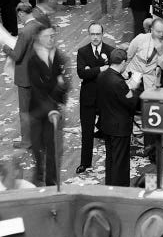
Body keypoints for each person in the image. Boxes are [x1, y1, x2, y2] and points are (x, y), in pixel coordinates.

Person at [28, 25, 70, 186]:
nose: (51, 39)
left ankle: (51, 181)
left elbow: (65, 82)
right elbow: (36, 89)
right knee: (38, 148)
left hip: (54, 111)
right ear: (40, 38)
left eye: (53, 35)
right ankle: (39, 175)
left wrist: (61, 92)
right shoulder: (33, 59)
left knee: (53, 149)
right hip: (38, 111)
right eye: (47, 36)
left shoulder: (59, 56)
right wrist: (52, 104)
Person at [3, 3, 45, 149]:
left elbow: (16, 55)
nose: (19, 19)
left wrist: (5, 48)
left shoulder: (25, 32)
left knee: (25, 111)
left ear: (21, 13)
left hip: (25, 77)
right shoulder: (40, 26)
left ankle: (27, 141)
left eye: (19, 16)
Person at [97, 48, 141, 187]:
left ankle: (109, 188)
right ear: (123, 62)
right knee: (120, 163)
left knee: (110, 160)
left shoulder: (102, 76)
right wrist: (134, 87)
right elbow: (131, 102)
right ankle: (120, 191)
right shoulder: (118, 83)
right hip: (119, 128)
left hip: (107, 125)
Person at [75, 23, 114, 174]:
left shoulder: (110, 51)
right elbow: (81, 74)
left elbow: (111, 72)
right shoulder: (82, 51)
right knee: (87, 132)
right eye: (93, 34)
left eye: (98, 34)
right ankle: (85, 163)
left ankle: (110, 163)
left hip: (105, 97)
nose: (95, 37)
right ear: (89, 35)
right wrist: (100, 69)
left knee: (108, 132)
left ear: (102, 34)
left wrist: (90, 70)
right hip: (88, 97)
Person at [125, 18, 163, 90]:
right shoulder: (140, 38)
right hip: (133, 75)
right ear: (151, 30)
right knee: (129, 98)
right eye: (158, 32)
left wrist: (160, 53)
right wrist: (123, 75)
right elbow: (128, 57)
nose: (161, 35)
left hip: (150, 81)